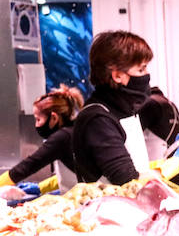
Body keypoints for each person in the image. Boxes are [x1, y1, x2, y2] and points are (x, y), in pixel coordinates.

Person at [71, 30, 157, 185]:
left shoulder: (123, 111)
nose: (147, 75)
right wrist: (174, 165)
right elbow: (128, 180)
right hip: (109, 208)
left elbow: (137, 168)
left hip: (133, 206)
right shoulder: (97, 119)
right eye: (141, 69)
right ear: (117, 76)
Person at [0, 86, 84, 191]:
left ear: (54, 117)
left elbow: (27, 166)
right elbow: (76, 174)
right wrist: (40, 187)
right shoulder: (75, 130)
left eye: (38, 119)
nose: (36, 125)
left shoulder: (62, 138)